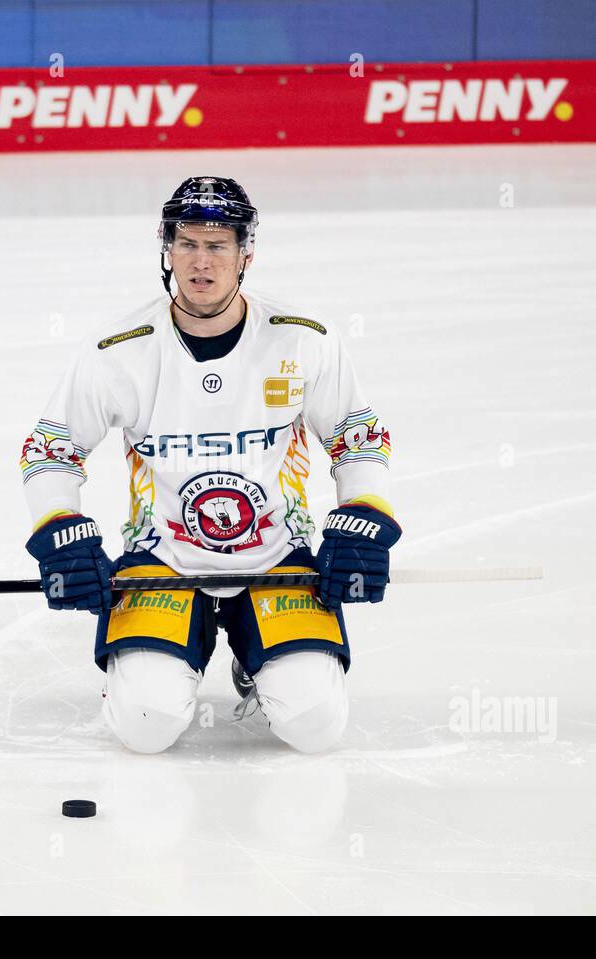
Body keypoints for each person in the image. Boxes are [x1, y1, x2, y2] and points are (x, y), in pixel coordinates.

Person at [20, 176, 398, 754]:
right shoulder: (120, 350)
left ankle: (256, 664)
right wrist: (60, 531)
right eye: (188, 243)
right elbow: (51, 452)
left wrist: (364, 517)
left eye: (218, 246)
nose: (201, 262)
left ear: (247, 254)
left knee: (314, 724)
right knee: (147, 724)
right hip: (163, 561)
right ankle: (148, 672)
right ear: (166, 249)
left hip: (278, 562)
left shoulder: (302, 341)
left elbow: (358, 440)